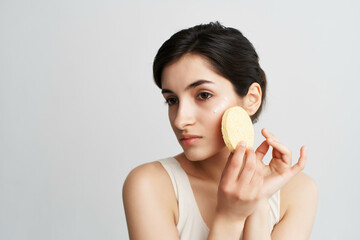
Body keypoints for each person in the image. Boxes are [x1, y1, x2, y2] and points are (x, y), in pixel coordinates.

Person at [122, 22, 318, 240]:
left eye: (203, 95)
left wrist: (259, 204)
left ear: (251, 99)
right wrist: (229, 218)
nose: (180, 120)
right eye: (172, 100)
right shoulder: (150, 184)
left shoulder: (298, 191)